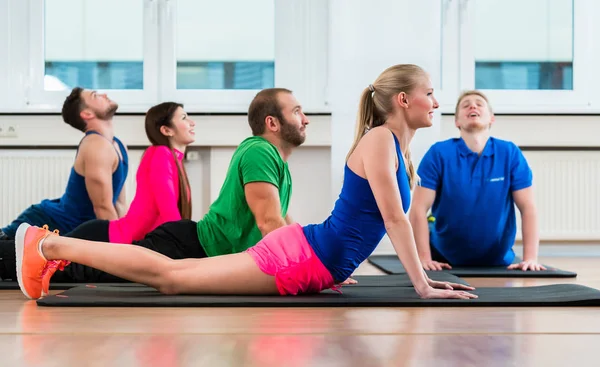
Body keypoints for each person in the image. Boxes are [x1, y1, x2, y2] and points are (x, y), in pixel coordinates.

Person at [16, 64, 477, 300]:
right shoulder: (380, 139)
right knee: (171, 278)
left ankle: (51, 249)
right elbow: (395, 217)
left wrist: (344, 268)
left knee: (173, 276)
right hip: (300, 259)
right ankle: (50, 247)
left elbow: (371, 222)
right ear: (403, 99)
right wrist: (421, 284)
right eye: (430, 93)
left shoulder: (395, 146)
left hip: (311, 258)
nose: (436, 102)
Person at [3, 87, 308, 284]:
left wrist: (308, 254)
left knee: (63, 264)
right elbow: (137, 209)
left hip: (136, 235)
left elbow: (279, 218)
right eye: (185, 118)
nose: (193, 123)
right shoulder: (157, 153)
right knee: (61, 266)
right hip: (93, 228)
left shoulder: (133, 149)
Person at [408, 90, 545, 271]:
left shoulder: (510, 153)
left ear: (491, 118)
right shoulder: (438, 154)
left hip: (497, 257)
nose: (473, 106)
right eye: (466, 105)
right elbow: (418, 208)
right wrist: (424, 259)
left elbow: (528, 208)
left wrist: (530, 258)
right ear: (457, 122)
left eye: (479, 104)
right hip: (445, 255)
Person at [0, 87, 129, 241]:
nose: (105, 94)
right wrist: (123, 250)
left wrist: (128, 241)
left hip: (69, 229)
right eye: (96, 96)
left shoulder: (119, 145)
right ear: (87, 114)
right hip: (45, 224)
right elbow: (103, 208)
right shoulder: (96, 146)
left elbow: (120, 205)